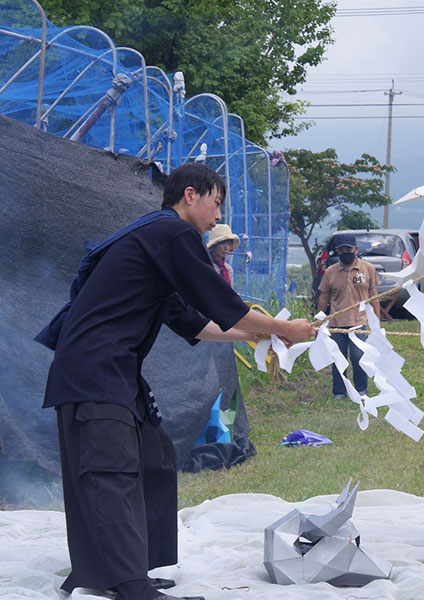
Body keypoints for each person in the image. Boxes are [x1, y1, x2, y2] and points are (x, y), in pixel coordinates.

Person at [36, 162, 316, 600]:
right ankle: (128, 585)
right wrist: (286, 330)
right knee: (111, 473)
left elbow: (191, 319)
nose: (218, 218)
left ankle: (127, 570)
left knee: (155, 459)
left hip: (113, 372)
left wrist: (263, 334)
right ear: (191, 195)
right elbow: (222, 302)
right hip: (94, 370)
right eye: (216, 204)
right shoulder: (173, 234)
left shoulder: (157, 240)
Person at [317, 233, 376, 400]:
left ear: (356, 249)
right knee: (338, 358)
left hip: (359, 321)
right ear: (337, 252)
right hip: (337, 323)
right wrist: (320, 319)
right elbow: (324, 297)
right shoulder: (330, 272)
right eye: (341, 250)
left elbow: (373, 294)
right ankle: (340, 392)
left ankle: (361, 390)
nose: (345, 252)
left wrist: (377, 320)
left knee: (358, 356)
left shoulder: (367, 269)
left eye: (348, 249)